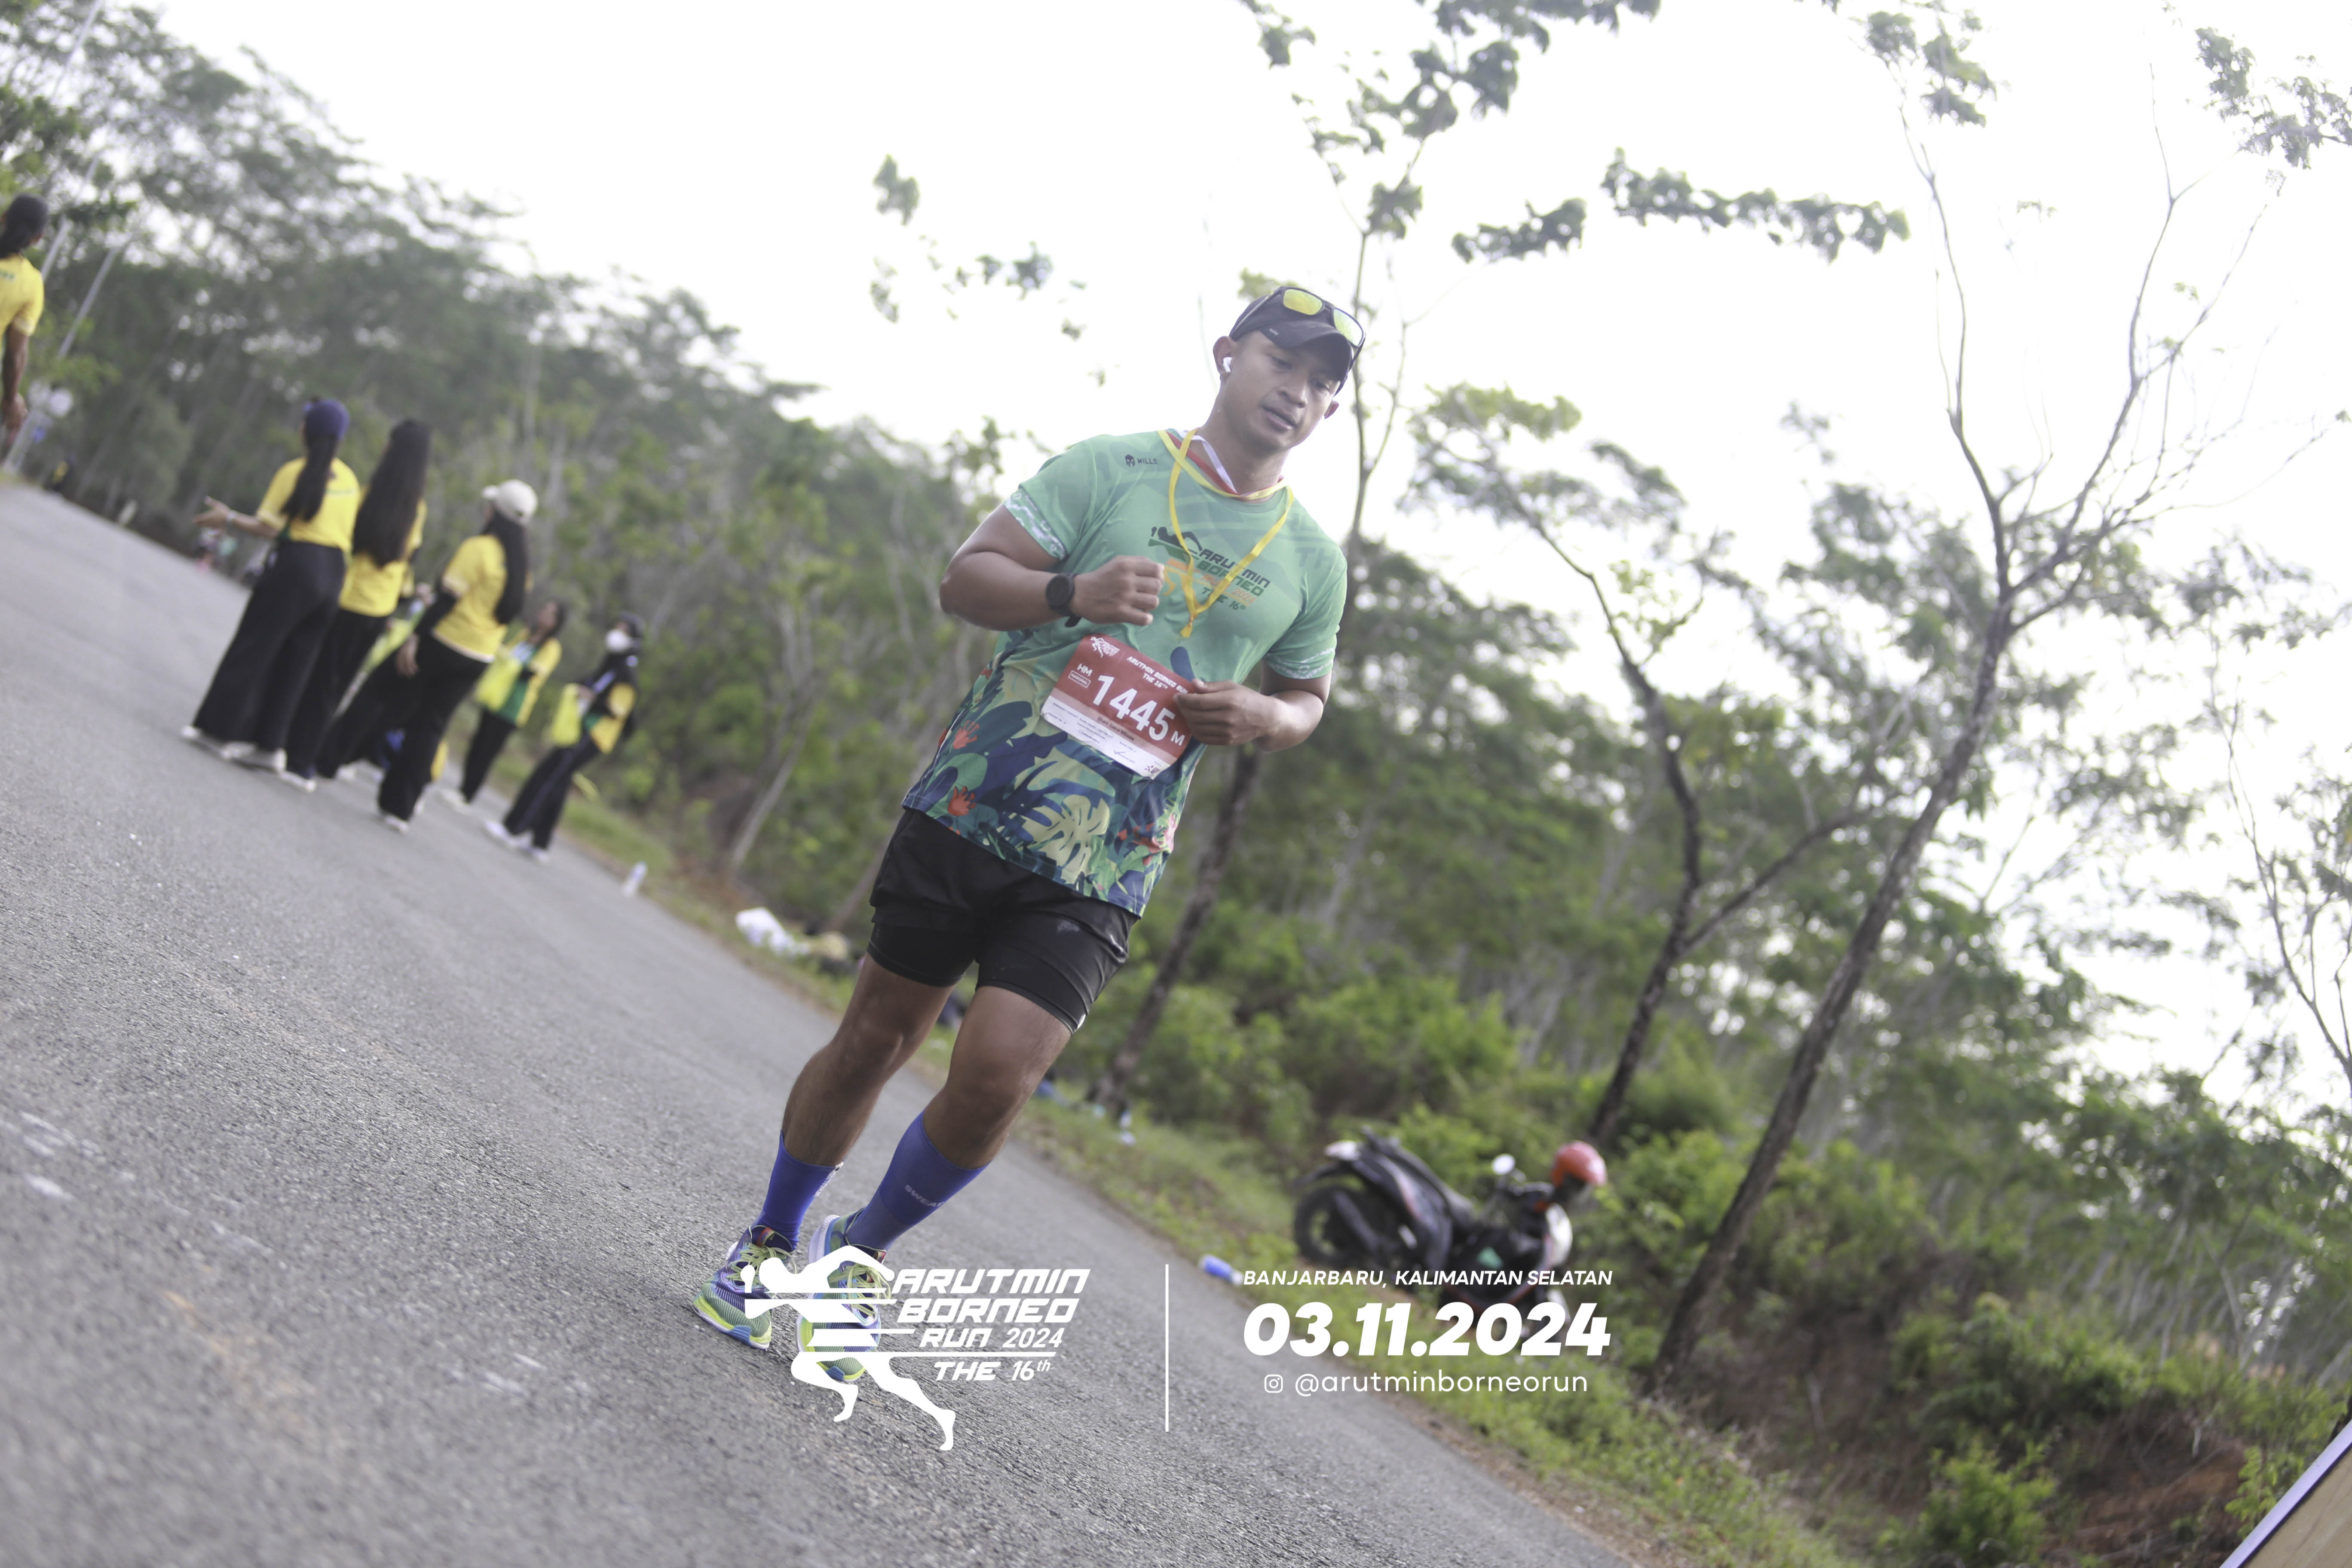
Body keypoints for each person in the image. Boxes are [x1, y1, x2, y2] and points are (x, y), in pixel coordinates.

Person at [692, 285, 1359, 1364]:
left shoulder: (1312, 561)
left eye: (1322, 383)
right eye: (1282, 361)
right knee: (875, 1039)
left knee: (999, 1077)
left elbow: (1308, 698)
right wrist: (1071, 593)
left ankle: (855, 1255)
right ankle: (769, 1239)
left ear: (1330, 410)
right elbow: (965, 580)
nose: (1298, 391)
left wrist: (1265, 717)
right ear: (1228, 353)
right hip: (978, 799)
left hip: (1109, 853)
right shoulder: (1108, 467)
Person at [318, 480, 534, 830]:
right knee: (430, 725)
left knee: (377, 692)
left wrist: (416, 638)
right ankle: (399, 808)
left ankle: (327, 760)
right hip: (478, 656)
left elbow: (448, 599)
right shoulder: (521, 568)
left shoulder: (480, 549)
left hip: (444, 641)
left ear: (496, 513)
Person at [180, 400, 360, 768]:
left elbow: (269, 528)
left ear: (305, 431)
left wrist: (228, 518)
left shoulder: (294, 472)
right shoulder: (350, 480)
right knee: (298, 662)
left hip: (298, 567)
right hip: (333, 574)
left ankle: (217, 732)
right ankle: (270, 748)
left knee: (255, 647)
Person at [279, 419, 432, 790]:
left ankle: (294, 755)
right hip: (379, 610)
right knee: (337, 686)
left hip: (347, 599)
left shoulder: (369, 494)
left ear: (394, 450)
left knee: (315, 677)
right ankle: (306, 758)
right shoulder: (418, 509)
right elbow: (407, 559)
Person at [484, 612, 640, 861]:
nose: (616, 634)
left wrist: (592, 700)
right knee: (559, 782)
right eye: (616, 628)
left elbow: (620, 710)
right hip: (579, 729)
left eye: (623, 631)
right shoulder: (611, 663)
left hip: (592, 734)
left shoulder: (627, 672)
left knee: (546, 776)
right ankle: (541, 843)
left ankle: (513, 828)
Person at [444, 598, 566, 810]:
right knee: (478, 743)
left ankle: (468, 795)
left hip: (513, 706)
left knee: (488, 751)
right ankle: (462, 789)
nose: (545, 614)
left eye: (551, 613)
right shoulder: (526, 634)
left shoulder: (552, 648)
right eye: (545, 609)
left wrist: (510, 662)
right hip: (496, 696)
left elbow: (531, 673)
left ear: (557, 622)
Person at [0, 193, 47, 447]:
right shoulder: (30, 283)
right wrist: (11, 399)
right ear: (38, 238)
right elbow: (15, 355)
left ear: (4, 218)